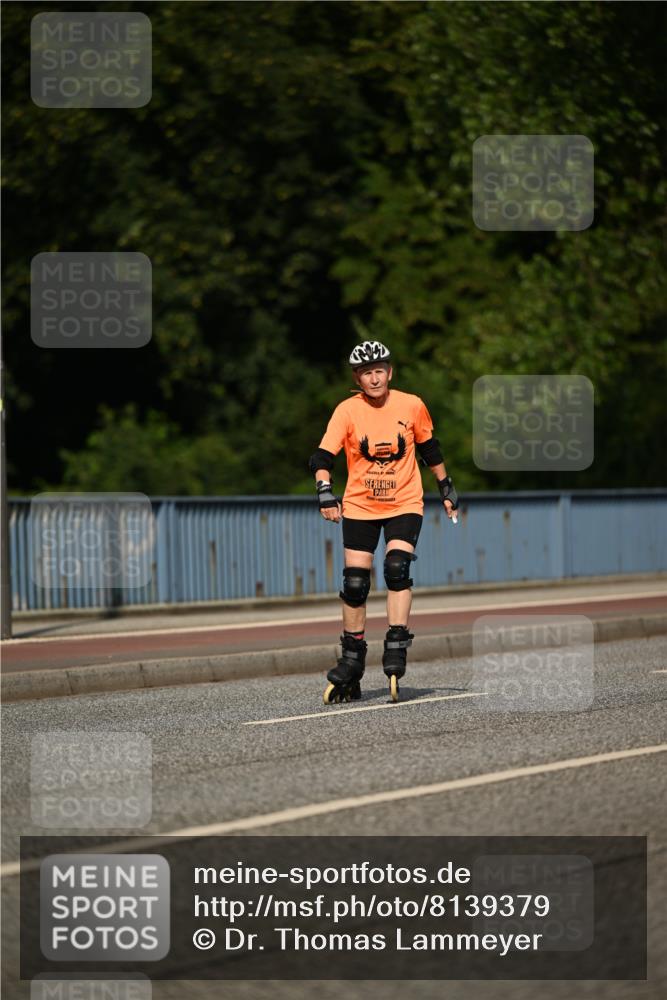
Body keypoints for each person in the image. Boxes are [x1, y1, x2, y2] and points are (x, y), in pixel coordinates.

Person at [308, 340, 458, 704]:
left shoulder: (411, 404)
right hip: (360, 505)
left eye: (379, 371)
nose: (374, 379)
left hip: (405, 502)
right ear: (357, 378)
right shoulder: (347, 411)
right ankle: (352, 659)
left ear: (389, 372)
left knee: (396, 567)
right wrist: (325, 492)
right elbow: (322, 456)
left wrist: (446, 486)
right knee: (355, 583)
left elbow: (429, 448)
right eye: (366, 373)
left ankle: (396, 645)